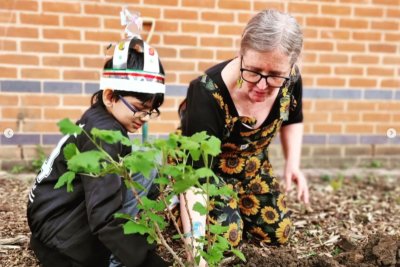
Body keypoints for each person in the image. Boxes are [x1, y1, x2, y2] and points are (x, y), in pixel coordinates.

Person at [27, 10, 170, 267]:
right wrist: (143, 259)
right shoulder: (104, 135)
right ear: (110, 96)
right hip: (62, 240)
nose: (145, 117)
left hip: (54, 225)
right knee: (148, 160)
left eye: (152, 110)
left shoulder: (99, 119)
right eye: (140, 107)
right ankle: (115, 260)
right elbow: (103, 216)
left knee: (144, 159)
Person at [178, 9, 310, 256]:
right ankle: (179, 207)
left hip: (250, 163)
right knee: (226, 243)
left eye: (274, 76)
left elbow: (294, 118)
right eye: (253, 71)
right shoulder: (207, 92)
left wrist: (293, 164)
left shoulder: (291, 79)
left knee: (278, 233)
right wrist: (194, 255)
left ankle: (233, 204)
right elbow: (195, 178)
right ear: (241, 54)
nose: (261, 85)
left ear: (291, 66)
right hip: (209, 169)